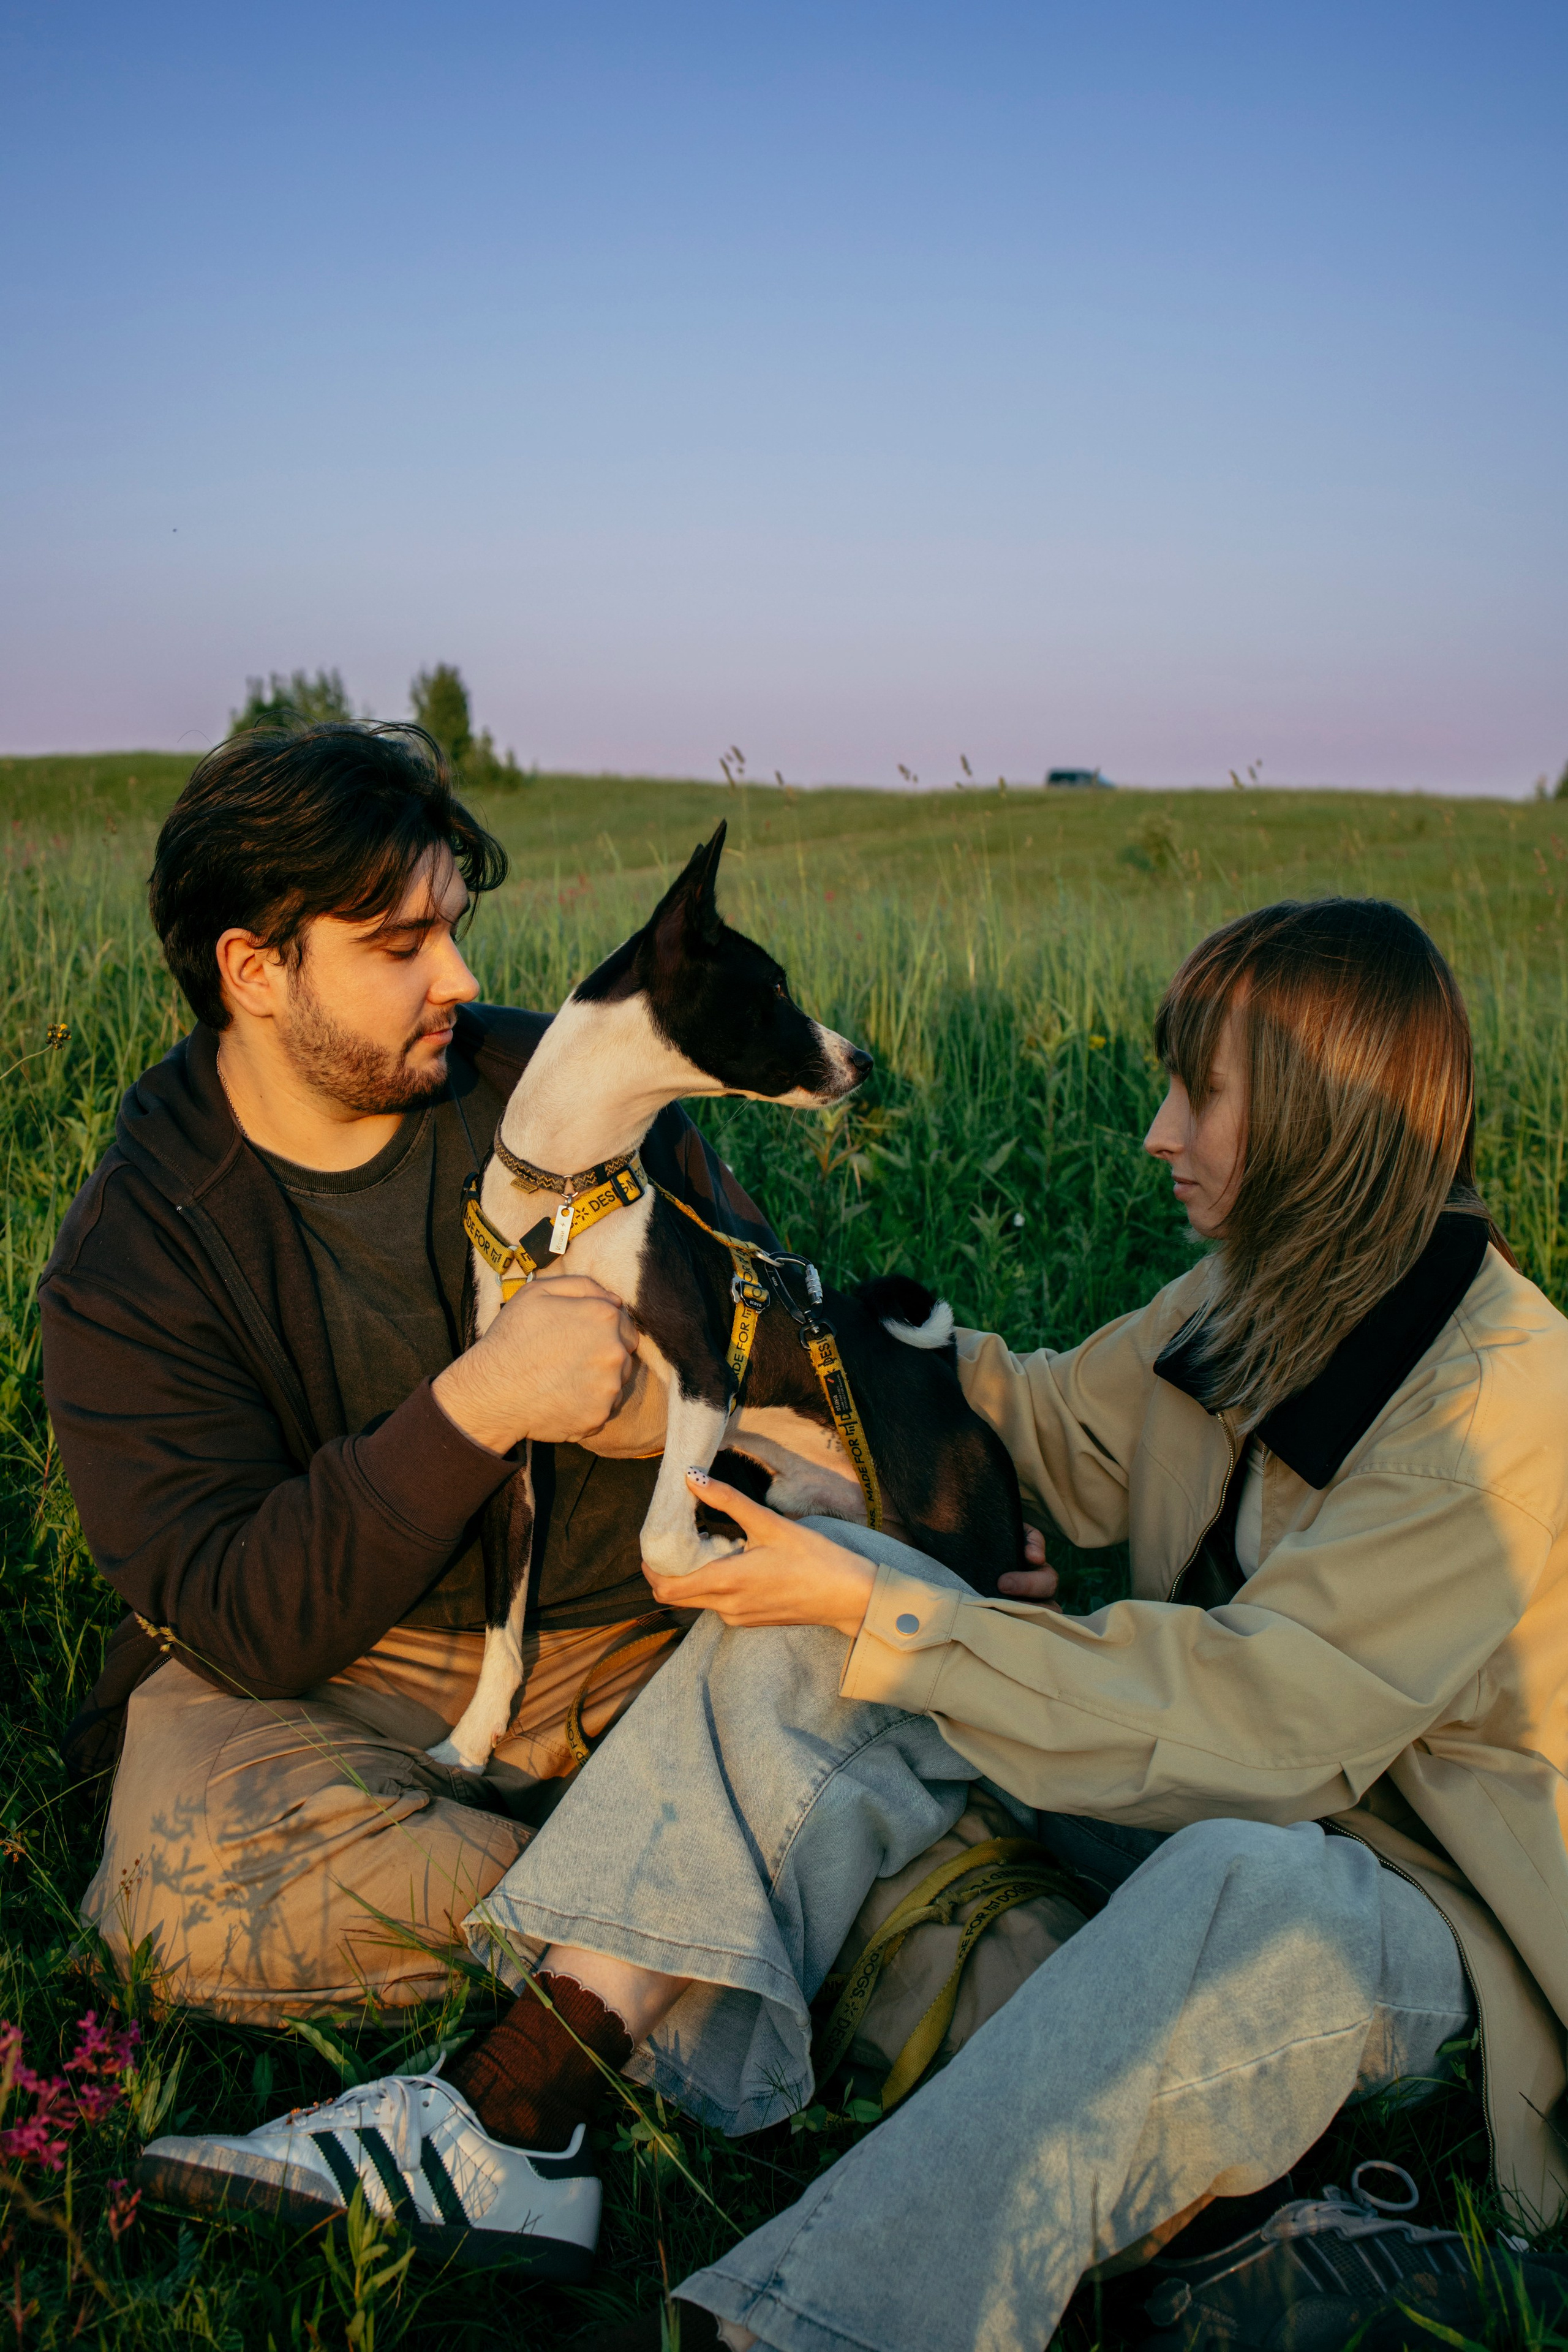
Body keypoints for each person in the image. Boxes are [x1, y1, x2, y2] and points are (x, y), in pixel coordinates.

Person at [142, 894, 1568, 2347]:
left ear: (1330, 1120)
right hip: (1193, 1794)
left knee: (1239, 1873)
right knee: (816, 1595)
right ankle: (513, 2113)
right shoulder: (1266, 1293)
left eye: (1199, 1095)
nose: (1156, 1133)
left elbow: (1267, 1731)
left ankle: (812, 2320)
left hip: (1411, 1925)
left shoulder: (1495, 1416)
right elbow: (1046, 1423)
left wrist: (901, 1609)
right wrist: (758, 1367)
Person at [41, 718, 786, 2024]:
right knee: (180, 1879)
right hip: (351, 1682)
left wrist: (898, 1502)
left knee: (877, 1689)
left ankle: (638, 1929)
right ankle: (704, 1906)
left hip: (651, 1638)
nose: (458, 975)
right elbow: (234, 1611)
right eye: (400, 945)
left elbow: (778, 1330)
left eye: (451, 926)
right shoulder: (139, 1247)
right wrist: (480, 1404)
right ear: (254, 970)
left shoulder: (568, 1094)